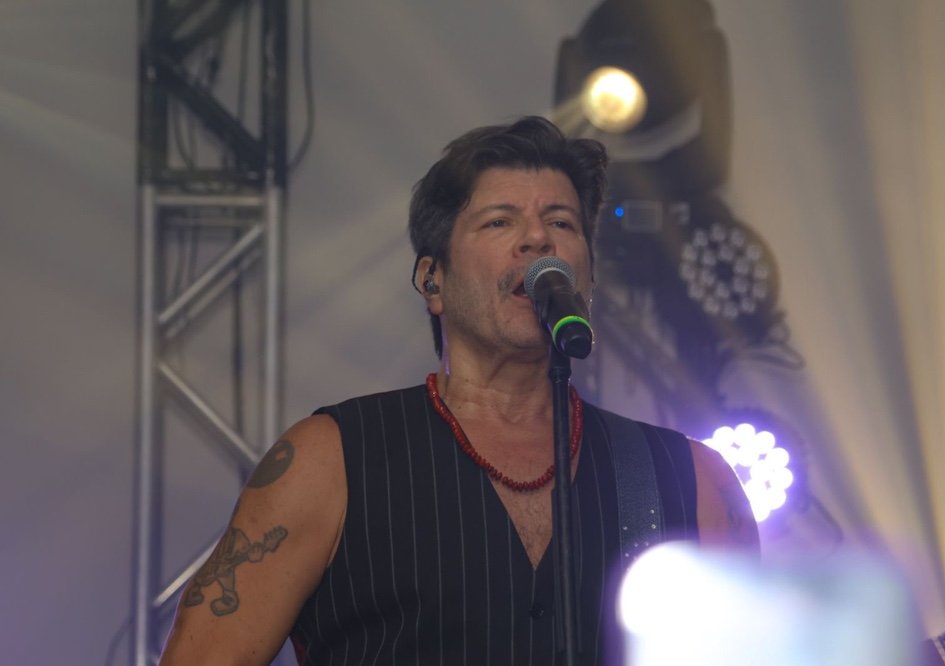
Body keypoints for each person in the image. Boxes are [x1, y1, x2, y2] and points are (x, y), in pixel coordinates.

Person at [159, 116, 758, 665]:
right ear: (432, 280)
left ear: (589, 278)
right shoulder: (329, 460)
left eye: (561, 222)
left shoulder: (693, 480)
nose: (537, 240)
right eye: (500, 221)